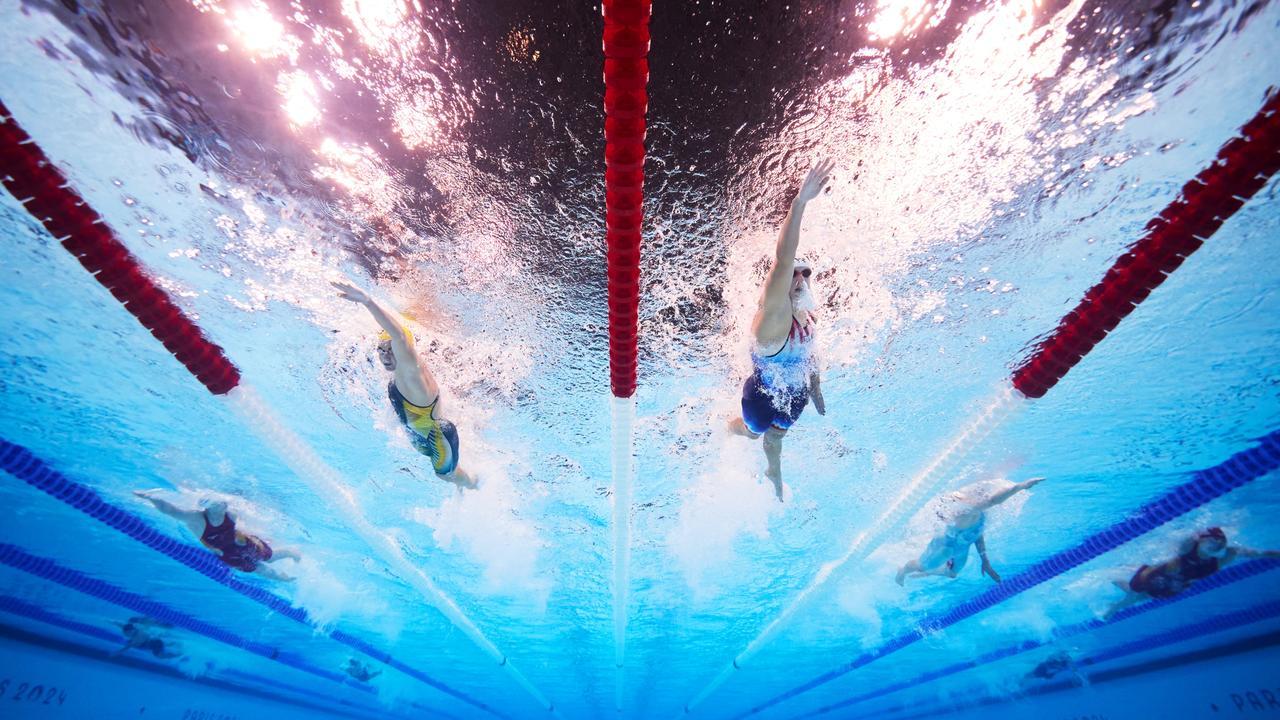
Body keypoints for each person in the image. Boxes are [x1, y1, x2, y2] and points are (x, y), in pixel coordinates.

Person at [728, 159, 834, 501]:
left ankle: (774, 469)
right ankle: (722, 429)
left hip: (796, 392)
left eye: (807, 274)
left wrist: (816, 386)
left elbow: (811, 355)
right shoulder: (772, 319)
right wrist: (799, 203)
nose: (801, 278)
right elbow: (783, 259)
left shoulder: (808, 314)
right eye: (795, 275)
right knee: (752, 433)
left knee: (777, 440)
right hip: (761, 395)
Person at [333, 280, 475, 490]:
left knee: (446, 476)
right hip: (422, 436)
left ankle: (476, 485)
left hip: (437, 435)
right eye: (381, 350)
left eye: (391, 350)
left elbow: (399, 335)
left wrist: (367, 301)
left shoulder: (411, 372)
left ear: (402, 352)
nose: (385, 356)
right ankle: (462, 481)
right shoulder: (398, 372)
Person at [896, 476, 1046, 586]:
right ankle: (902, 571)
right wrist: (1019, 487)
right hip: (944, 548)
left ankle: (931, 571)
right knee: (922, 565)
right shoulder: (966, 512)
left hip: (961, 547)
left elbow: (977, 535)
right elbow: (994, 500)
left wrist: (985, 561)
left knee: (952, 574)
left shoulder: (980, 515)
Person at [1104, 527, 1280, 618]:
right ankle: (1112, 606)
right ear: (1201, 541)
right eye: (1212, 541)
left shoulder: (1223, 557)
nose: (1216, 544)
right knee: (1131, 598)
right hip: (1149, 578)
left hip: (1172, 587)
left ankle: (1116, 580)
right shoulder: (1187, 550)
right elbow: (1181, 541)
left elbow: (1259, 553)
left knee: (1140, 598)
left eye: (1220, 542)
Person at [134, 491, 300, 581]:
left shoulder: (231, 514)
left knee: (269, 558)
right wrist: (152, 498)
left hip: (244, 543)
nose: (223, 508)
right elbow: (171, 511)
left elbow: (244, 526)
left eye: (223, 505)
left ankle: (292, 552)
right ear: (209, 508)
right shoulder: (196, 519)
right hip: (228, 555)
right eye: (220, 506)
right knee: (260, 570)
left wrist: (253, 535)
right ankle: (285, 578)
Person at [115, 616, 183, 660]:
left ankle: (178, 654)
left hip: (155, 642)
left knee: (159, 655)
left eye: (128, 633)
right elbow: (123, 627)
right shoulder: (136, 632)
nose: (127, 634)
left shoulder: (138, 636)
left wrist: (119, 652)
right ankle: (176, 651)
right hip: (155, 641)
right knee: (160, 652)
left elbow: (128, 646)